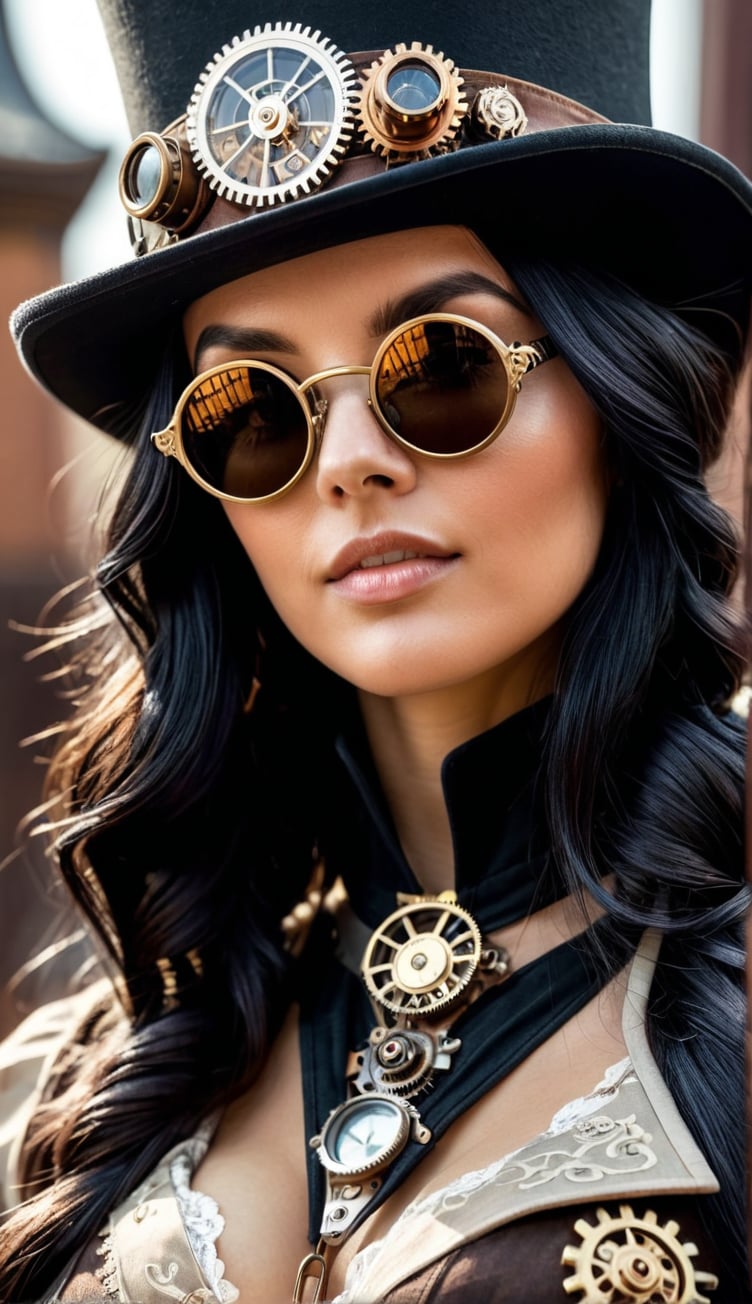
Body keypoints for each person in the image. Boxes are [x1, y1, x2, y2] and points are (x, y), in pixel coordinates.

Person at [1, 1, 750, 1301]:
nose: (349, 464)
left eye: (441, 366)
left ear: (619, 388)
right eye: (253, 412)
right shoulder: (82, 1082)